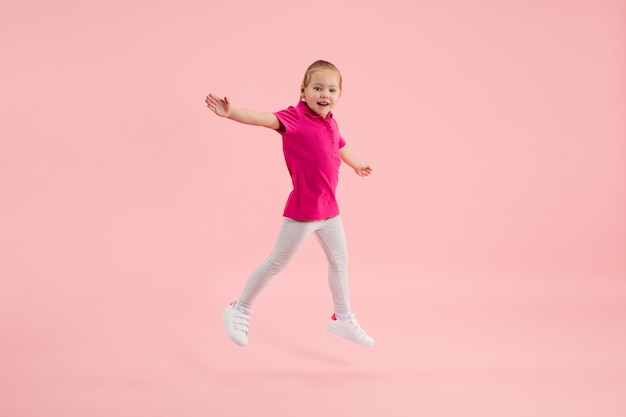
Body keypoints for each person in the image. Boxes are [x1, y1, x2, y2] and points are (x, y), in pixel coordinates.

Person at [205, 60, 374, 347]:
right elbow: (263, 118)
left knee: (339, 262)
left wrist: (357, 164)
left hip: (329, 210)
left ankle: (343, 318)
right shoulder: (294, 118)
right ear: (303, 91)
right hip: (305, 212)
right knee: (276, 262)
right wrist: (230, 112)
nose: (324, 94)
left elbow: (341, 145)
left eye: (331, 90)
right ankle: (239, 308)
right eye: (318, 88)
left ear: (339, 95)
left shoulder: (330, 122)